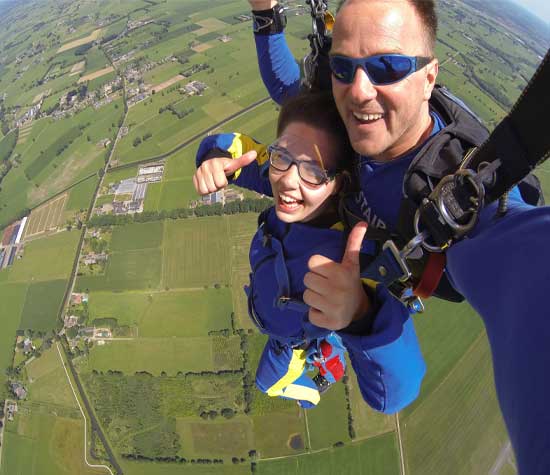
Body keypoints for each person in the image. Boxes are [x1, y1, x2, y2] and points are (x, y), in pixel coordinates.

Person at [196, 1, 550, 472]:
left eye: (389, 67)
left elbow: (530, 271)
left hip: (345, 302)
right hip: (300, 289)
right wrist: (267, 17)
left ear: (429, 76)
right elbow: (293, 97)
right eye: (344, 66)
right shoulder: (348, 120)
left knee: (279, 364)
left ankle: (322, 349)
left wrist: (359, 317)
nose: (360, 90)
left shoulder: (465, 207)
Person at [194, 91, 426, 413]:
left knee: (268, 383)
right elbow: (240, 150)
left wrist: (359, 313)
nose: (288, 180)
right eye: (282, 157)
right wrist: (214, 156)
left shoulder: (354, 257)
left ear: (339, 184)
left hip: (291, 338)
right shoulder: (287, 183)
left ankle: (316, 384)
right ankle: (326, 343)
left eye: (314, 172)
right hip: (281, 314)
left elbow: (398, 391)